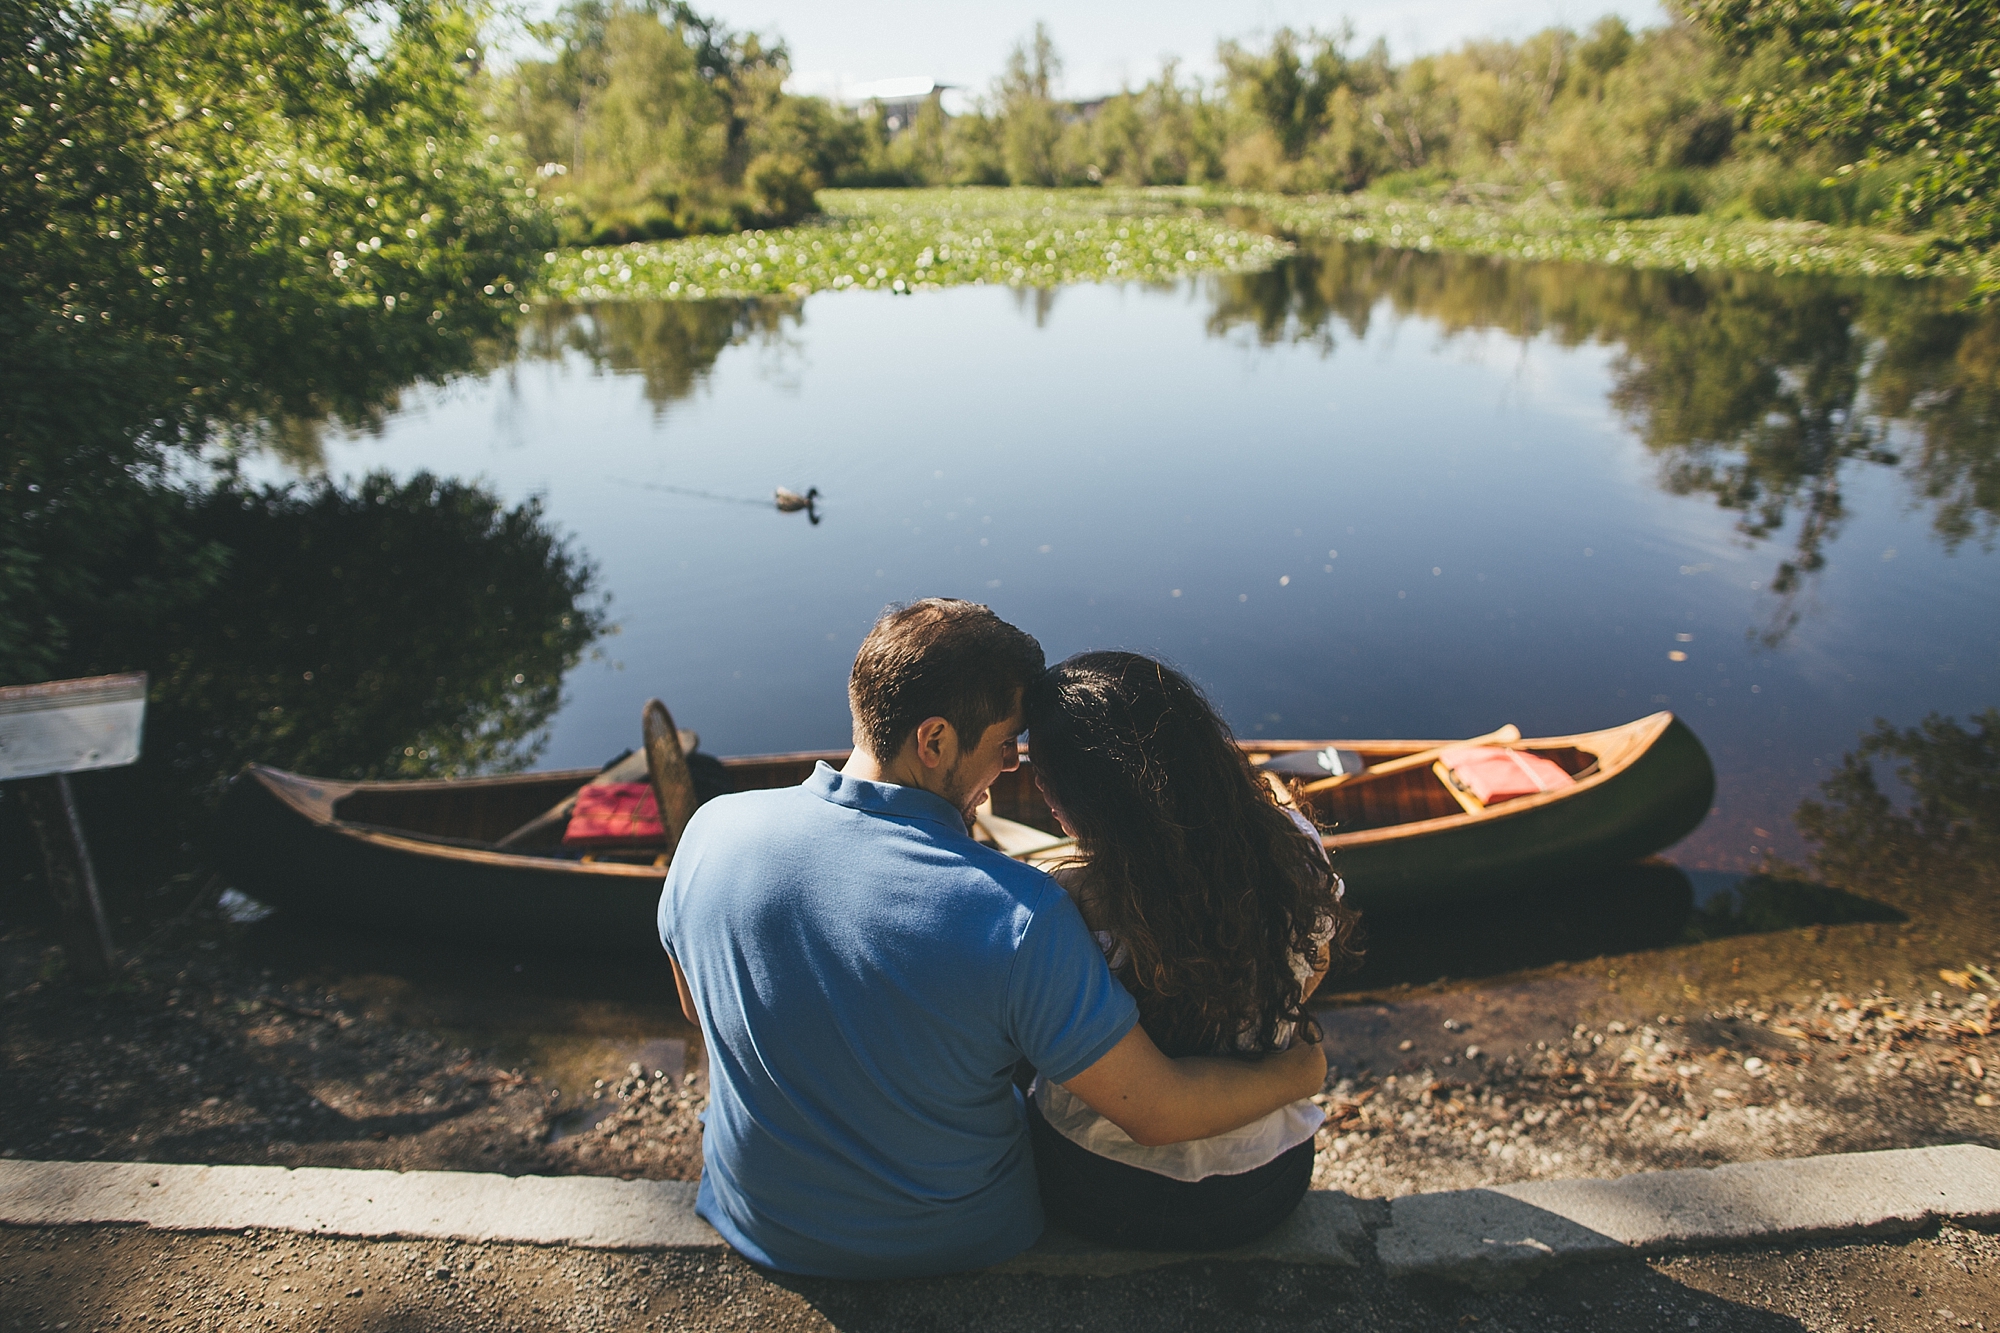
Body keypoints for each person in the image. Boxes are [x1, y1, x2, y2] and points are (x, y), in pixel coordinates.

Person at [657, 599, 1326, 1278]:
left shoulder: (709, 831)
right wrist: (1300, 1069)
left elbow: (697, 1007)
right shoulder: (1020, 912)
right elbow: (1156, 1110)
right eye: (1007, 742)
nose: (1013, 765)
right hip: (955, 1238)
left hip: (755, 1215)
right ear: (936, 741)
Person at [1023, 651, 1362, 1251]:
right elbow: (1316, 966)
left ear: (1083, 796)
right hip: (1268, 1182)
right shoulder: (1294, 848)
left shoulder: (1062, 904)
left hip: (1100, 1188)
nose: (1039, 788)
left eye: (1044, 776)